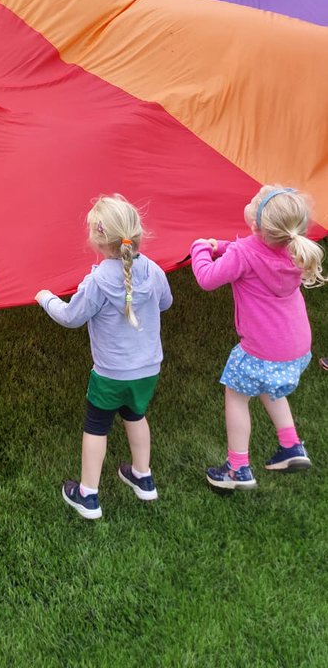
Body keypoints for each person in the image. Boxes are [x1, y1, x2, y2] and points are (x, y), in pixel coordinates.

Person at [35, 195, 172, 520]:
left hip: (111, 374)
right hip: (147, 369)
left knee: (96, 426)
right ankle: (143, 476)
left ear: (97, 239)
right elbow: (165, 303)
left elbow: (71, 317)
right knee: (135, 415)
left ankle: (88, 494)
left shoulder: (97, 281)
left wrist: (46, 299)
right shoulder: (153, 270)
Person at [190, 184, 325, 490]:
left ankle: (237, 469)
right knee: (268, 384)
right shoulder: (293, 249)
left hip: (261, 351)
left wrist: (199, 247)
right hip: (296, 348)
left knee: (237, 397)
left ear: (255, 225)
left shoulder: (245, 254)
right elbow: (254, 249)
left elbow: (208, 279)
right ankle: (291, 445)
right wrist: (223, 246)